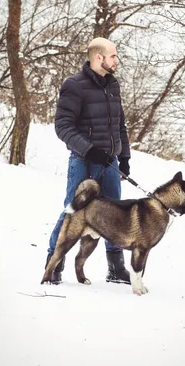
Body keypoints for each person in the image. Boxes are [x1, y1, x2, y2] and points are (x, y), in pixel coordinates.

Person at [45, 37, 131, 285]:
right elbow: (62, 126)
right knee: (72, 213)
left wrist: (124, 158)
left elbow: (119, 125)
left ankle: (115, 268)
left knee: (114, 215)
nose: (117, 60)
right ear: (98, 58)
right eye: (113, 56)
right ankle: (53, 265)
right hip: (84, 162)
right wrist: (89, 149)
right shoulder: (75, 85)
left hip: (111, 164)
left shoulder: (112, 85)